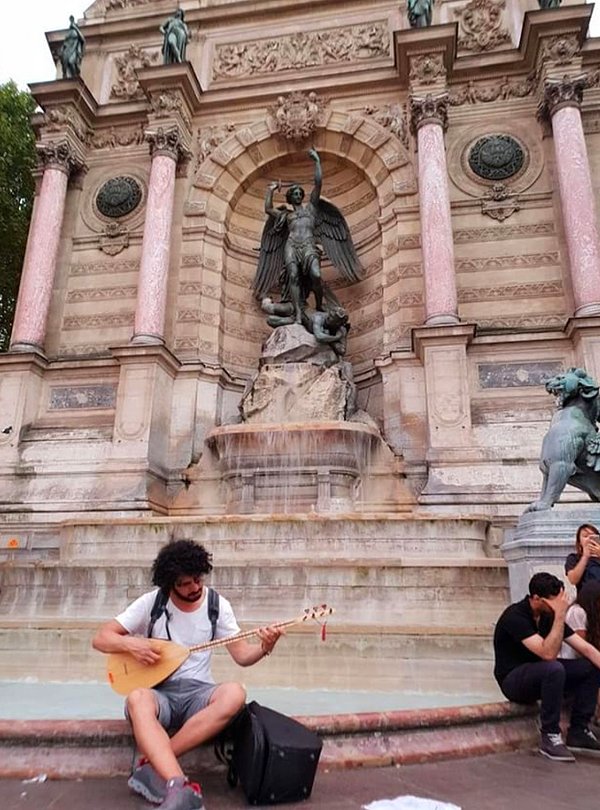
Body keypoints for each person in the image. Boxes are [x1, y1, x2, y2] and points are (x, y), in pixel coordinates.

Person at [92, 540, 282, 810]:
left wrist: (265, 647)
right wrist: (132, 644)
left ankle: (152, 764)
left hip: (198, 695)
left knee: (235, 693)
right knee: (137, 699)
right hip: (161, 693)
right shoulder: (152, 603)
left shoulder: (217, 605)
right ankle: (179, 785)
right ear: (170, 583)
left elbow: (242, 656)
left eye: (197, 579)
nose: (194, 588)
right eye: (184, 583)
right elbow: (101, 638)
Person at [493, 572, 600, 761]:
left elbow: (586, 648)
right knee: (553, 668)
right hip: (513, 680)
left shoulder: (547, 615)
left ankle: (579, 730)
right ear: (536, 599)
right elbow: (547, 654)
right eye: (556, 602)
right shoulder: (515, 617)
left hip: (544, 675)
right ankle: (550, 736)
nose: (562, 606)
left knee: (589, 667)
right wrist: (560, 615)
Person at [264, 148, 324, 323]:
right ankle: (298, 314)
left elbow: (318, 184)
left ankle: (319, 304)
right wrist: (271, 190)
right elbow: (268, 209)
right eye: (295, 194)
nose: (298, 195)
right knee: (292, 276)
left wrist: (317, 162)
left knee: (316, 275)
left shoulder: (311, 209)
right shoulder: (287, 215)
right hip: (292, 244)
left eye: (300, 193)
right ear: (290, 198)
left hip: (308, 244)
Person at [565, 523, 600, 593]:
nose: (589, 539)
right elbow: (573, 580)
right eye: (585, 536)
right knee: (592, 585)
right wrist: (585, 556)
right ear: (579, 542)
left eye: (592, 536)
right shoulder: (573, 558)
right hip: (587, 594)